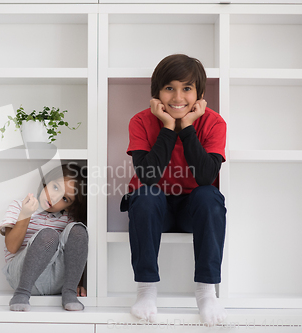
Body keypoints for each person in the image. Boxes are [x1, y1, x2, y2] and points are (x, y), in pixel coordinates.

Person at [120, 54, 227, 326]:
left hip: (195, 209)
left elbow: (205, 176)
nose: (178, 97)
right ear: (157, 93)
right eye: (169, 88)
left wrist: (187, 126)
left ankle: (206, 292)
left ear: (200, 94)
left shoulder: (214, 122)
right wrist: (169, 127)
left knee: (209, 195)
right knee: (145, 193)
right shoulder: (141, 121)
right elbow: (148, 176)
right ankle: (146, 290)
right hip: (156, 209)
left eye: (187, 89)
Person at [0, 163, 88, 312]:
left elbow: (77, 252)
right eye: (55, 187)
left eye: (65, 199)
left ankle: (70, 292)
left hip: (56, 282)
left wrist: (79, 283)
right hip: (21, 277)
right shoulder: (19, 206)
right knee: (49, 235)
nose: (55, 197)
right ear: (47, 181)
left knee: (78, 230)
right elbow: (12, 247)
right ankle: (21, 294)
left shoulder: (67, 219)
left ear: (69, 207)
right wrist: (25, 214)